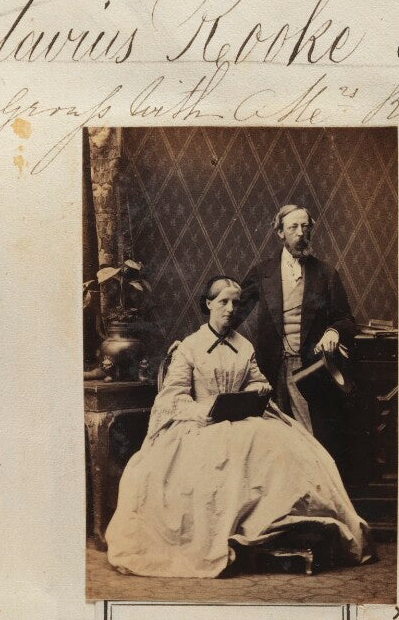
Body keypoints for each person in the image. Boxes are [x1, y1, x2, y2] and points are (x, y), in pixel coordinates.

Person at [105, 276, 373, 578]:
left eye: (235, 302)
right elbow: (173, 398)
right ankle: (240, 537)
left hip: (243, 420)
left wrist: (258, 390)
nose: (231, 309)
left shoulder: (243, 346)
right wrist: (205, 411)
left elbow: (256, 381)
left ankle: (280, 530)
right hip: (202, 425)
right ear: (209, 304)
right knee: (224, 462)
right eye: (223, 302)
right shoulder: (190, 347)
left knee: (288, 448)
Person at [236, 205, 357, 471]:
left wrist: (333, 331)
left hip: (309, 368)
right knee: (271, 437)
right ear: (280, 232)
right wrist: (200, 340)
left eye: (305, 227)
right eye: (293, 227)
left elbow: (347, 320)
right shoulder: (263, 272)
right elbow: (232, 313)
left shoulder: (326, 274)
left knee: (309, 438)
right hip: (269, 367)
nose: (301, 233)